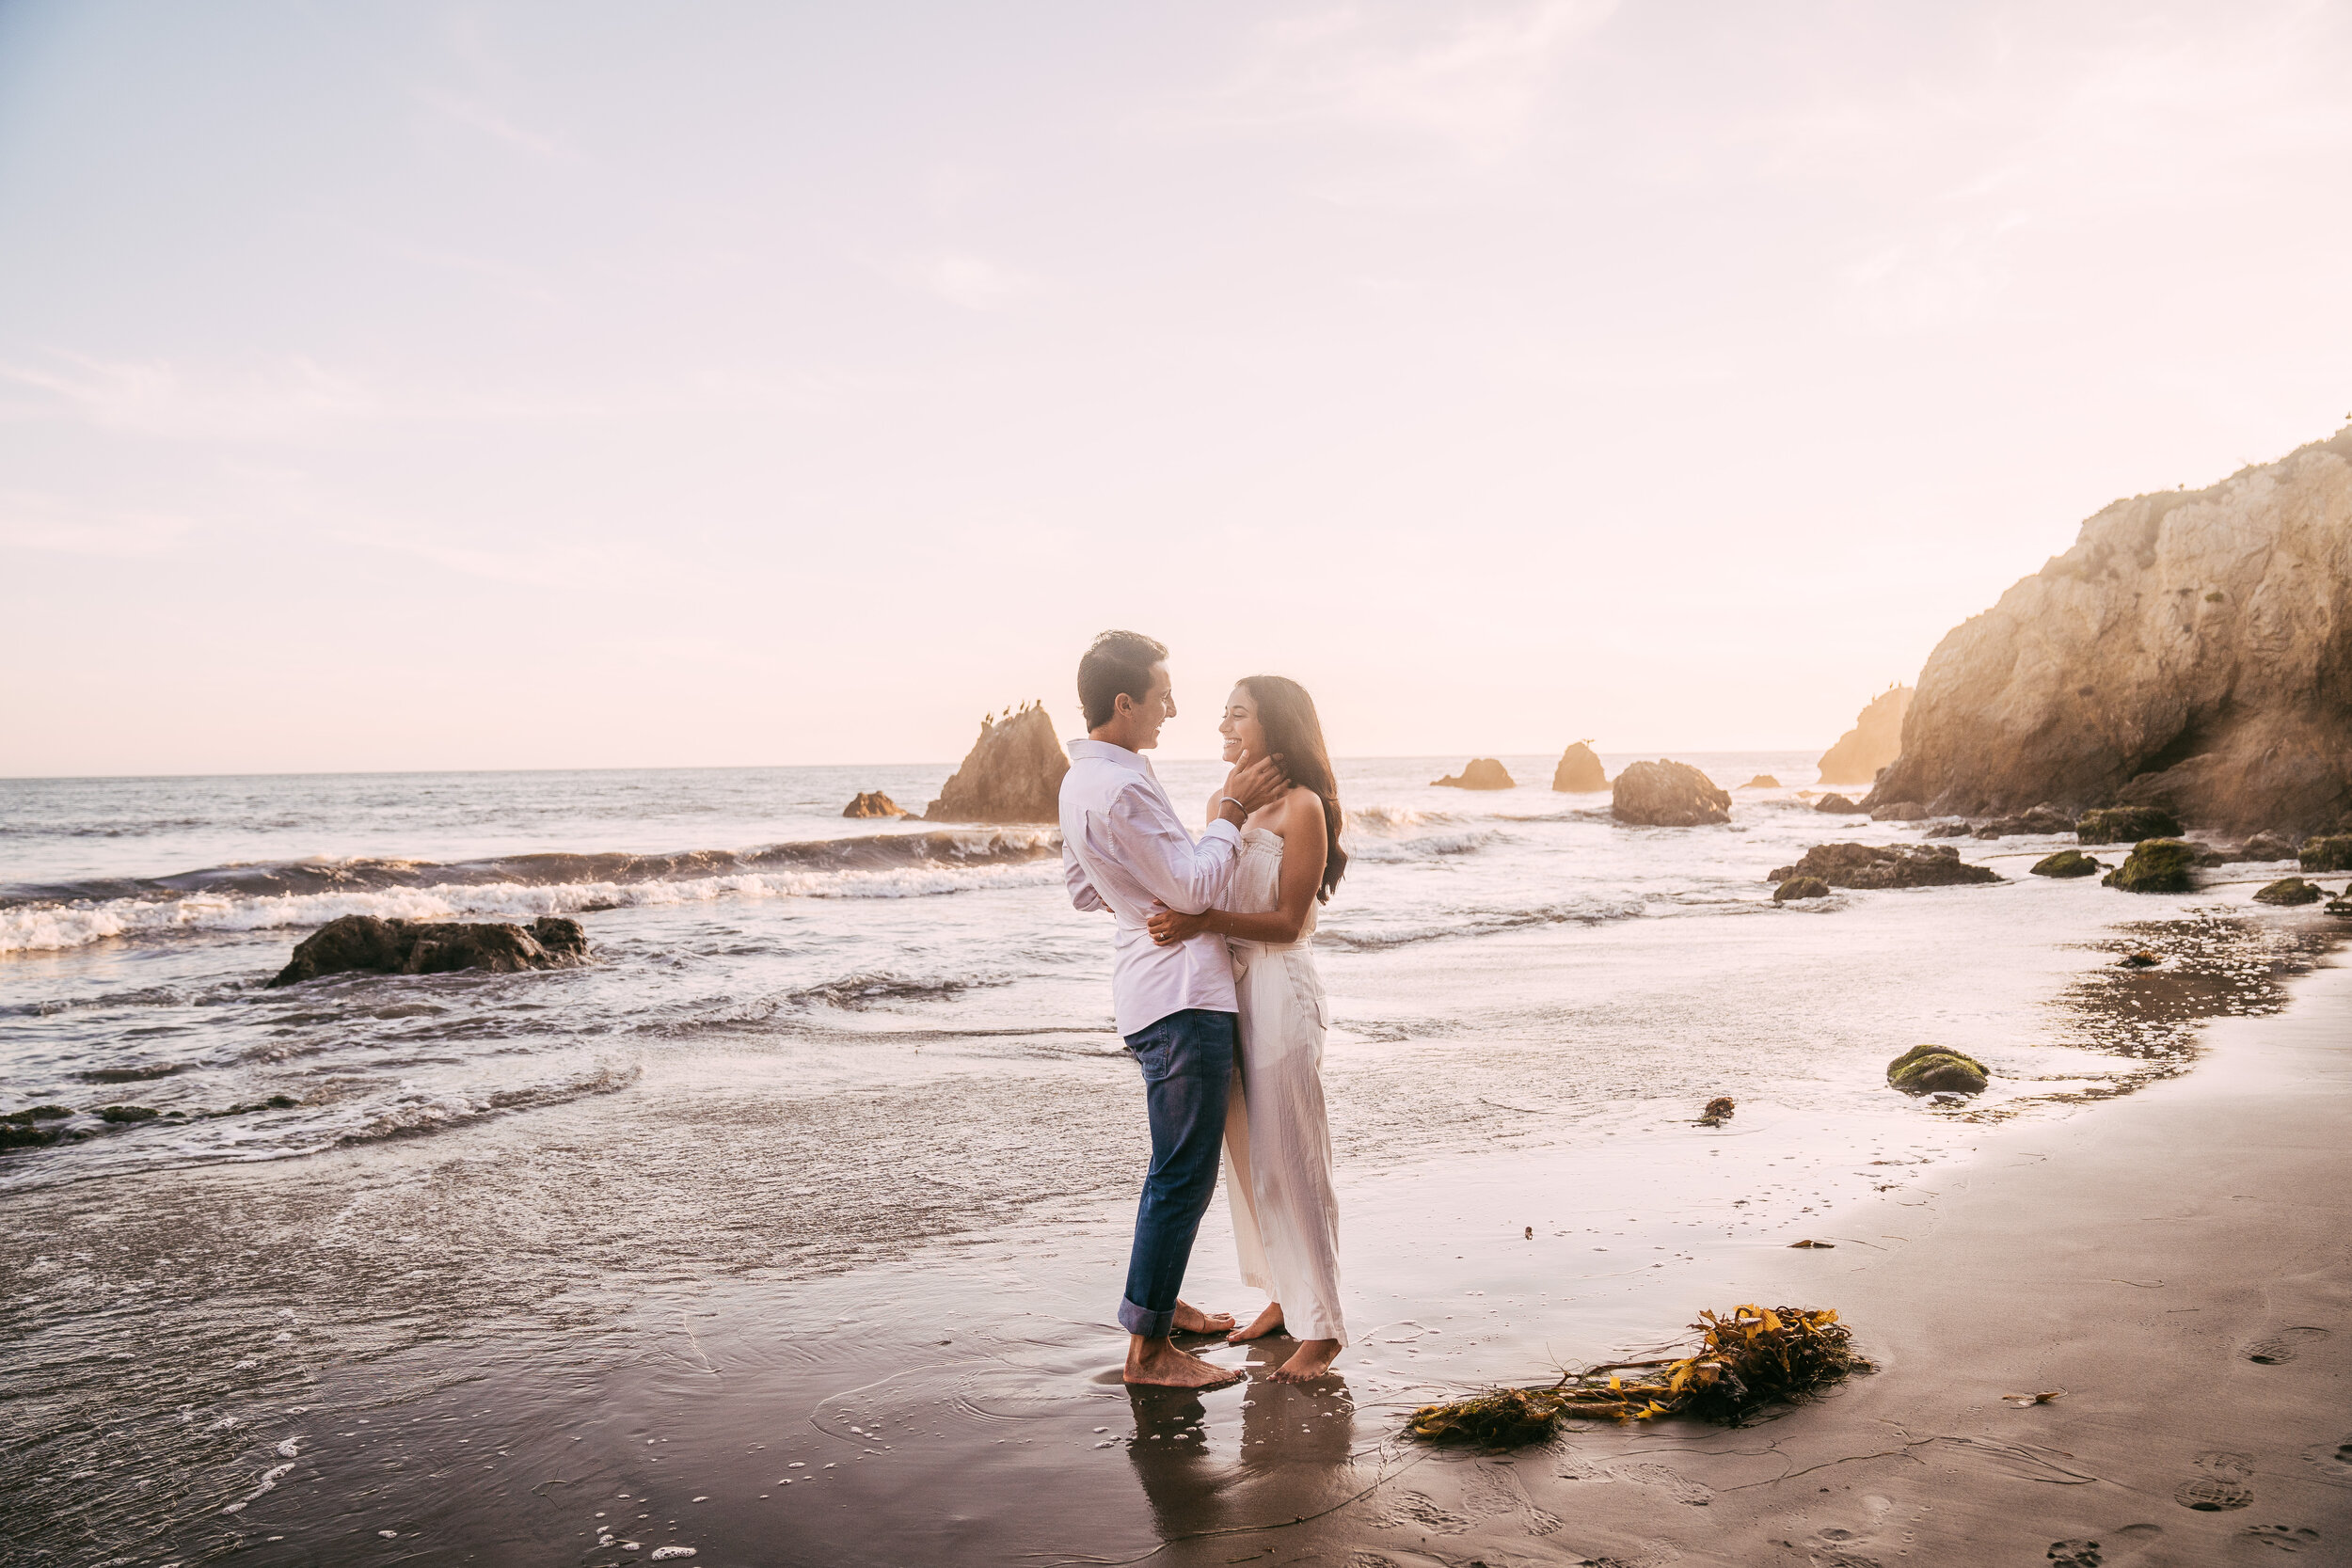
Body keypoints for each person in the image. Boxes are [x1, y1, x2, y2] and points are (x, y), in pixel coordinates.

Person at [1061, 630, 1291, 1390]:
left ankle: (1159, 1305)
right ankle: (1150, 1353)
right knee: (1182, 1175)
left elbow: (1085, 888)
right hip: (1184, 995)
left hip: (1142, 985)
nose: (1173, 708)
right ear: (1124, 703)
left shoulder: (1081, 780)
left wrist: (1144, 896)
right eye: (1162, 695)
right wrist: (1226, 813)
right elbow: (1194, 889)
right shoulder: (1123, 786)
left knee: (1172, 1167)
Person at [1147, 676, 1349, 1382]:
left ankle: (1322, 1327)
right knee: (1250, 1165)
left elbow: (1289, 923)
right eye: (1225, 712)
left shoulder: (1304, 807)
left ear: (1275, 725)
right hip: (1226, 996)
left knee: (1293, 1160)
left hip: (1281, 993)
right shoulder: (1222, 805)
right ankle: (1282, 1299)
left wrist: (1202, 923)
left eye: (1239, 711)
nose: (1224, 722)